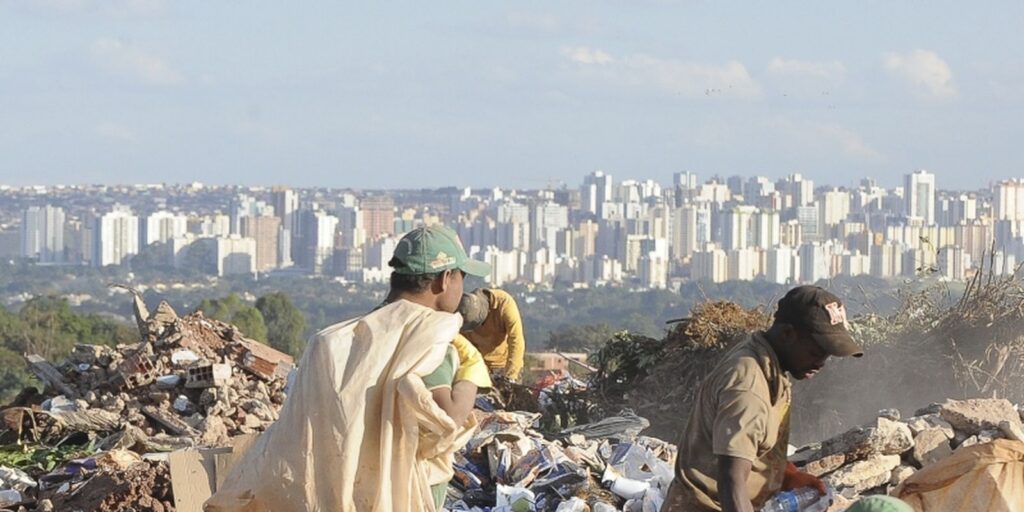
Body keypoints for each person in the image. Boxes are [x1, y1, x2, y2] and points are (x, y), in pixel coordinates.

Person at [206, 225, 491, 512]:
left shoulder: (336, 340)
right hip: (402, 497)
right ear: (445, 279)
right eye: (462, 277)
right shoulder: (429, 336)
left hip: (338, 496)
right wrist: (471, 371)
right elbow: (450, 415)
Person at [663, 286, 864, 512]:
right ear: (787, 334)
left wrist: (787, 476)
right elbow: (731, 481)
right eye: (816, 352)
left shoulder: (770, 366)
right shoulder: (748, 387)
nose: (821, 363)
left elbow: (754, 445)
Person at [456, 287, 527, 381]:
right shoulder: (464, 312)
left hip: (504, 365)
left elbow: (516, 339)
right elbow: (462, 347)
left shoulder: (504, 303)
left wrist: (511, 376)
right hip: (480, 366)